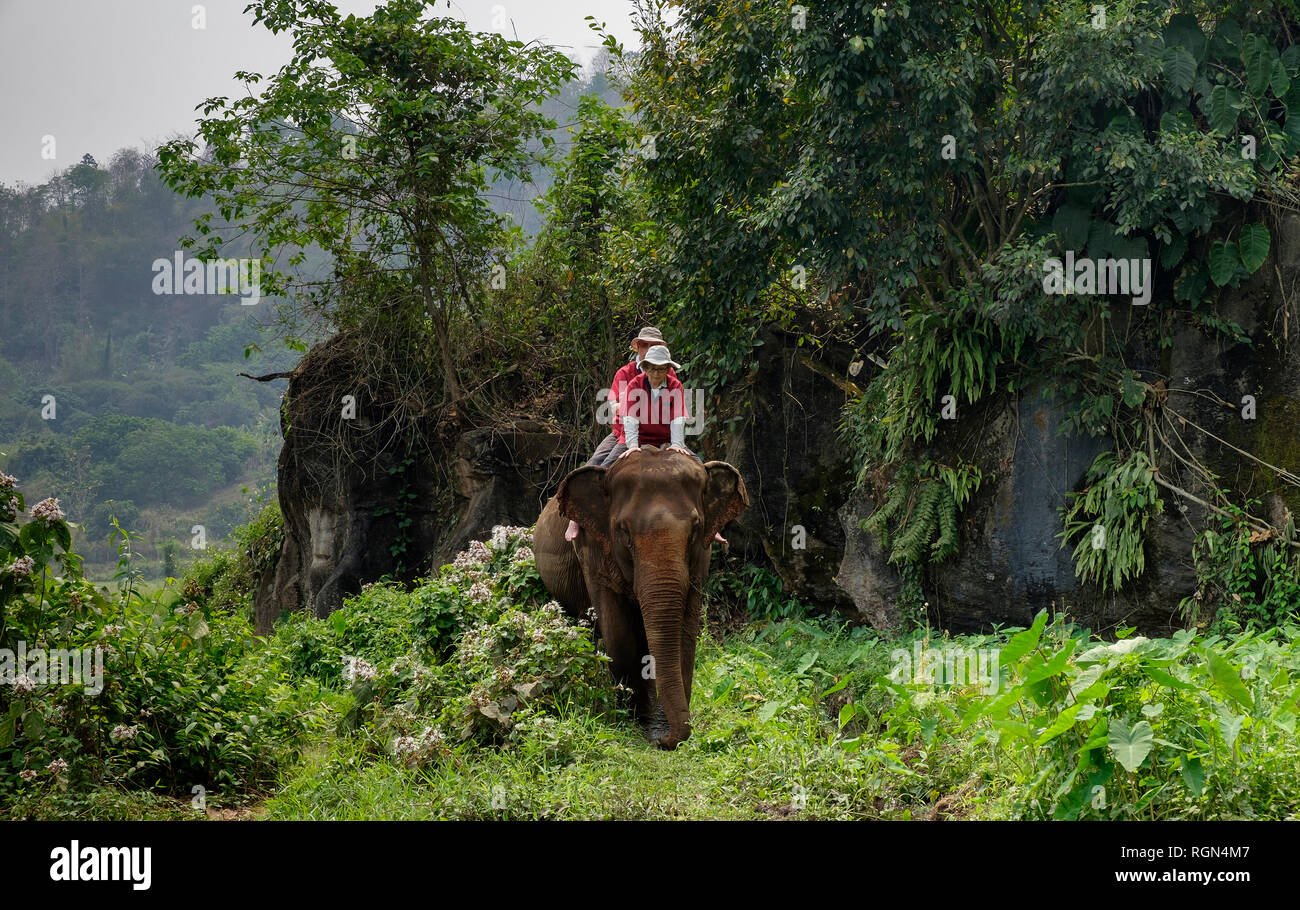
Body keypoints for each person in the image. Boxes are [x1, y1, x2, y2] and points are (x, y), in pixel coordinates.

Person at [565, 327, 677, 542]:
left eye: (654, 345)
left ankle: (708, 523)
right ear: (638, 347)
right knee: (596, 465)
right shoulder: (625, 373)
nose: (649, 348)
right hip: (623, 432)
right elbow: (615, 405)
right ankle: (576, 516)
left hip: (659, 434)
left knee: (696, 468)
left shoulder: (667, 371)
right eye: (645, 344)